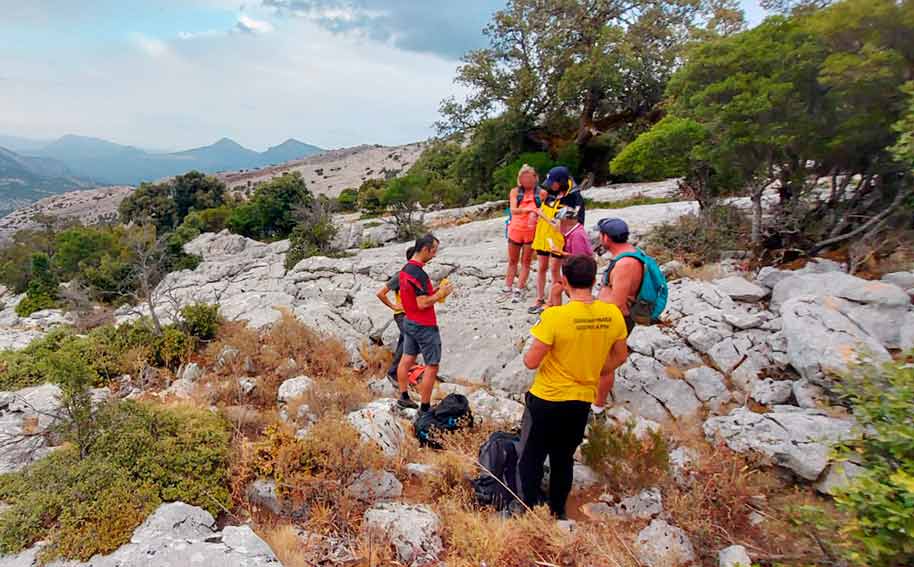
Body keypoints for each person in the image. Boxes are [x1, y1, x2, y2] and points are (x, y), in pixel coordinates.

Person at [519, 255, 629, 519]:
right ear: (593, 281)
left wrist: (550, 304)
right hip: (581, 400)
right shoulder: (611, 314)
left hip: (546, 398)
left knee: (532, 457)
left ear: (564, 280)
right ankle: (558, 512)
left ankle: (528, 510)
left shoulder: (555, 317)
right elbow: (621, 355)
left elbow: (531, 361)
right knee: (563, 458)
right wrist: (595, 369)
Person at [397, 234, 454, 411]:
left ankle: (404, 396)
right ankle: (425, 407)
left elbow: (415, 298)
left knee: (407, 359)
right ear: (424, 249)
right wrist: (441, 294)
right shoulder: (419, 274)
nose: (434, 255)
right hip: (424, 325)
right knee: (432, 365)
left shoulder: (405, 270)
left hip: (409, 321)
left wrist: (435, 291)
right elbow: (422, 303)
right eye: (433, 251)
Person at [529, 166, 586, 314]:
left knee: (555, 269)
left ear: (561, 181)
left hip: (558, 239)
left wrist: (543, 216)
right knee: (541, 267)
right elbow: (542, 206)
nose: (550, 185)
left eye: (553, 182)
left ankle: (552, 302)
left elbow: (572, 222)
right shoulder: (551, 192)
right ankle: (539, 299)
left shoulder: (574, 197)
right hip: (543, 235)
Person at [375, 246, 415, 387]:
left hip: (412, 315)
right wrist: (393, 306)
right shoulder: (401, 275)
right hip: (402, 315)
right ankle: (394, 372)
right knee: (409, 339)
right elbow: (381, 293)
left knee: (404, 342)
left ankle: (400, 371)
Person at [504, 165, 544, 303]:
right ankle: (507, 287)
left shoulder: (541, 193)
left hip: (531, 232)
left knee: (526, 262)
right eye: (524, 177)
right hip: (515, 230)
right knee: (512, 261)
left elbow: (545, 211)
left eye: (530, 177)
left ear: (535, 178)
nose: (527, 180)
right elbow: (513, 209)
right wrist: (530, 209)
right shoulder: (515, 192)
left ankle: (519, 289)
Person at [596, 218, 643, 334]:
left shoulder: (625, 264)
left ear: (606, 237)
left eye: (600, 235)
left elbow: (618, 304)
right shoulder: (630, 253)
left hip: (618, 323)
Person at [546, 207, 594, 307]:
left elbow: (580, 260)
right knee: (556, 289)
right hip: (579, 271)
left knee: (558, 290)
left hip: (580, 274)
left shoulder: (577, 235)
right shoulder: (573, 232)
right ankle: (555, 310)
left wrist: (560, 252)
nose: (556, 224)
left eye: (558, 221)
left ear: (565, 221)